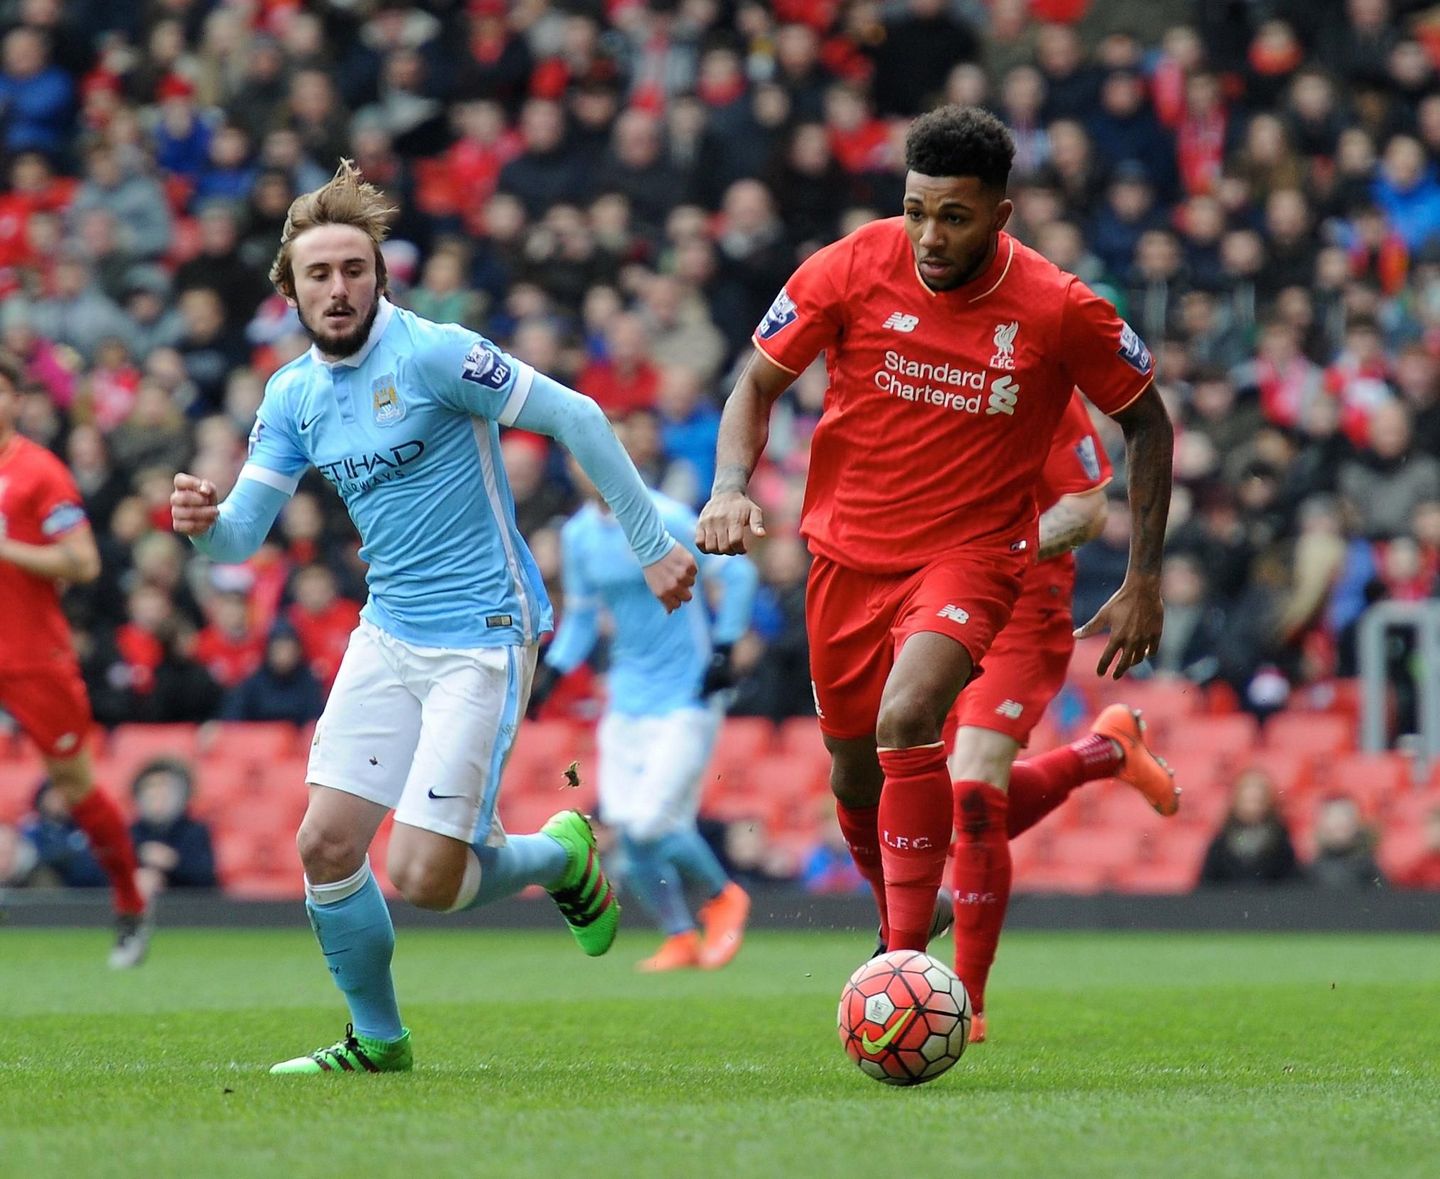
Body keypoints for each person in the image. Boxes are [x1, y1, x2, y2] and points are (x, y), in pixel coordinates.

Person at [170, 161, 695, 1075]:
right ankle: (378, 1040)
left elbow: (577, 416)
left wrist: (651, 543)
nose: (339, 288)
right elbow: (241, 536)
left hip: (483, 635)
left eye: (354, 269)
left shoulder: (436, 354)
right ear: (291, 292)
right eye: (319, 274)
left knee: (423, 878)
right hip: (388, 631)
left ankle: (557, 857)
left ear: (380, 277)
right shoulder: (292, 395)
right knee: (324, 842)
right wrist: (205, 524)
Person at [696, 107, 1173, 959]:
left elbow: (1149, 422)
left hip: (972, 556)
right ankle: (905, 926)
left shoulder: (1058, 307)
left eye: (953, 216)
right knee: (853, 773)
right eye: (916, 211)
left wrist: (1144, 578)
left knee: (908, 714)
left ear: (1000, 214)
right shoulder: (852, 264)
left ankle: (904, 962)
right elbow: (755, 383)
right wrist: (728, 487)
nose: (928, 236)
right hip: (846, 554)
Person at [944, 393, 1180, 1044]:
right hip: (927, 602)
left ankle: (965, 1000)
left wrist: (989, 551)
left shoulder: (1032, 377)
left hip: (1019, 604)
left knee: (972, 793)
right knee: (944, 808)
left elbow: (1085, 509)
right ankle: (1106, 751)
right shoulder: (907, 373)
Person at [528, 451, 759, 972]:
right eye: (578, 457)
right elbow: (582, 618)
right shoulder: (578, 536)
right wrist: (552, 674)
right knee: (629, 835)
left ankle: (724, 895)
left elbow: (738, 575)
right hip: (626, 699)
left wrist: (724, 647)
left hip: (686, 696)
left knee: (650, 823)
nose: (589, 465)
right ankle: (680, 937)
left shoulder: (667, 517)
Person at [0, 356, 152, 968]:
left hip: (31, 654)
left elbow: (84, 562)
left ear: (17, 400)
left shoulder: (38, 472)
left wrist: (7, 548)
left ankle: (131, 904)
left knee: (74, 784)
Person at [128, 757, 218, 897]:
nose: (158, 797)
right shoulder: (127, 834)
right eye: (151, 790)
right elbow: (98, 875)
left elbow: (206, 879)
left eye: (165, 791)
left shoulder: (195, 832)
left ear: (183, 796)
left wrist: (173, 862)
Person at [1198, 768, 1302, 887]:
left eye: (1257, 801)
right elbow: (1207, 885)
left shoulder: (1280, 841)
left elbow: (1293, 883)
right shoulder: (1221, 842)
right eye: (1247, 800)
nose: (1252, 807)